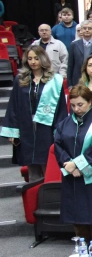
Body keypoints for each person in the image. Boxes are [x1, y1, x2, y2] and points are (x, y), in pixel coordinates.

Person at [54, 85, 92, 251]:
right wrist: (69, 165)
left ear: (89, 102)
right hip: (71, 177)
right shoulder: (65, 123)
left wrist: (78, 164)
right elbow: (58, 145)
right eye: (73, 105)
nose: (76, 109)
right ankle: (82, 251)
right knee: (76, 217)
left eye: (80, 105)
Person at [1, 45, 68, 181]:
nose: (33, 62)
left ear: (43, 59)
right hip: (26, 125)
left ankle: (49, 197)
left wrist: (59, 131)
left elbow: (61, 108)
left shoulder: (54, 80)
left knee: (48, 162)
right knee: (31, 164)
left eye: (36, 58)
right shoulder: (20, 80)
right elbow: (14, 105)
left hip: (46, 126)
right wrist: (13, 131)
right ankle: (34, 195)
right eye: (30, 58)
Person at [67, 20, 92, 88]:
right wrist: (70, 84)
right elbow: (70, 65)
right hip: (77, 79)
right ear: (81, 30)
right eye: (84, 28)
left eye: (89, 28)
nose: (87, 30)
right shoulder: (74, 45)